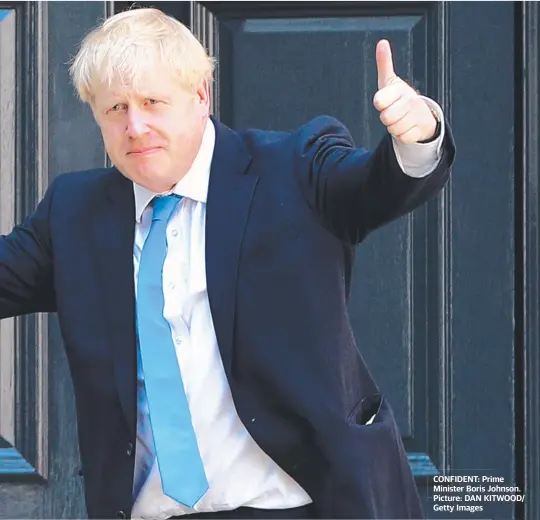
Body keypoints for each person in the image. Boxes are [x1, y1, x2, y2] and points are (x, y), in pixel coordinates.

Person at [0, 7, 455, 520]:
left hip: (303, 507)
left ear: (200, 95)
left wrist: (415, 138)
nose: (135, 126)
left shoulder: (294, 167)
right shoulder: (74, 212)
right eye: (115, 109)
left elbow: (373, 187)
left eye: (153, 102)